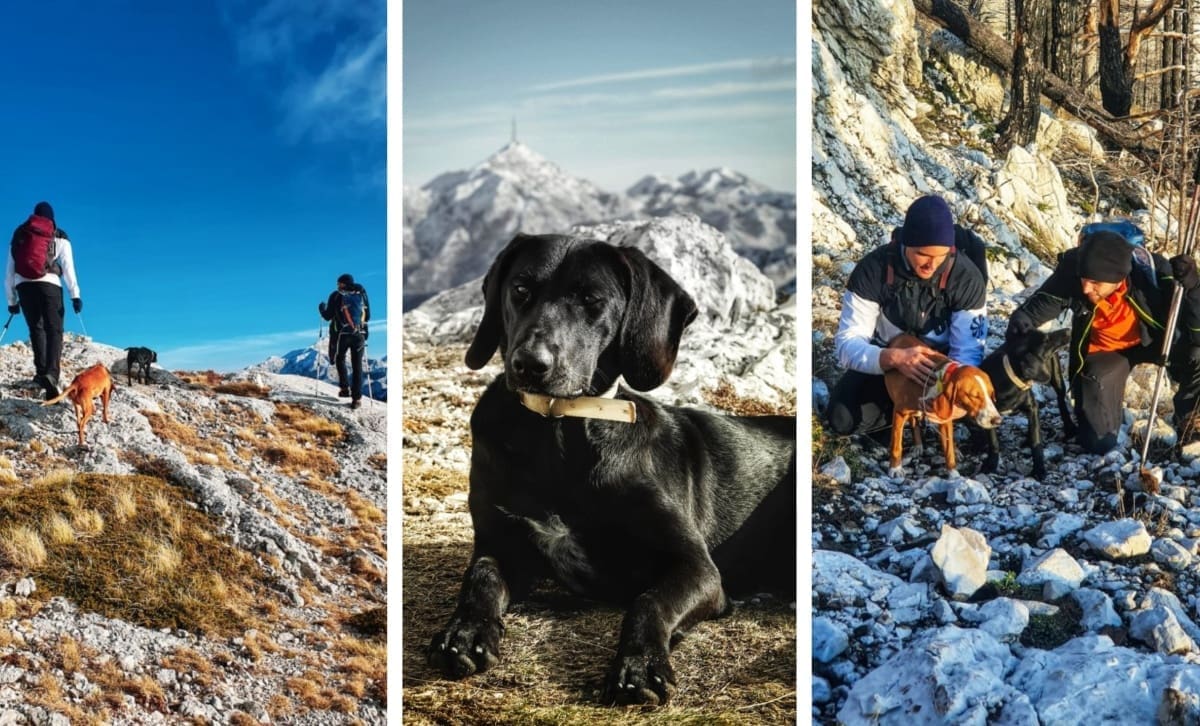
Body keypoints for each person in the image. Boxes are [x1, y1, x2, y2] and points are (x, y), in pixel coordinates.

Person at [1007, 228, 1200, 454]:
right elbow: (1030, 313)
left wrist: (1194, 289)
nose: (1085, 288)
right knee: (1098, 443)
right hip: (1106, 353)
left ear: (1117, 279)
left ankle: (1190, 422)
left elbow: (1197, 332)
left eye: (1094, 282)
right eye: (1084, 280)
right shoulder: (1073, 271)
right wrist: (1019, 333)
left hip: (1157, 342)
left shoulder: (1155, 272)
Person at [826, 194, 989, 437]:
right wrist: (893, 359)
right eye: (923, 254)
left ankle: (919, 418)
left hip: (943, 368)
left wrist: (951, 400)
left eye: (941, 255)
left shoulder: (967, 278)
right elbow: (847, 344)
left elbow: (968, 352)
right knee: (842, 419)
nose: (931, 265)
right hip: (888, 360)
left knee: (973, 414)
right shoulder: (872, 270)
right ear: (905, 244)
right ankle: (902, 415)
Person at [5, 202, 82, 399]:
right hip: (50, 285)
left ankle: (41, 373)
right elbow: (69, 268)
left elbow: (9, 272)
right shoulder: (60, 235)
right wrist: (75, 295)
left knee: (36, 328)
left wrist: (11, 300)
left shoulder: (20, 234)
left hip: (24, 286)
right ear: (52, 218)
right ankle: (52, 375)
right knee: (54, 329)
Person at [318, 273, 370, 409]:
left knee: (340, 358)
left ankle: (344, 389)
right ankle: (357, 399)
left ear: (342, 284)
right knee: (357, 365)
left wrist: (322, 309)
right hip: (359, 334)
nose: (337, 286)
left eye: (339, 283)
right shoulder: (362, 294)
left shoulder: (336, 296)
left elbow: (328, 316)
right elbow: (368, 315)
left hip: (343, 334)